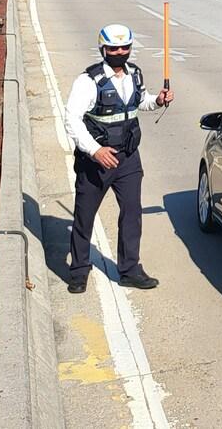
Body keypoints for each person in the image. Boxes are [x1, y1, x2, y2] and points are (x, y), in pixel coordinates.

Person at [64, 24, 172, 294]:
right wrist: (94, 150)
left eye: (125, 47)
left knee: (132, 213)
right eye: (113, 48)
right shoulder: (87, 81)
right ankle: (78, 271)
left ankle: (130, 269)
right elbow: (72, 119)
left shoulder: (134, 74)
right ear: (103, 49)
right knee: (85, 216)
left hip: (128, 158)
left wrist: (157, 101)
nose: (120, 52)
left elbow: (139, 103)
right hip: (97, 161)